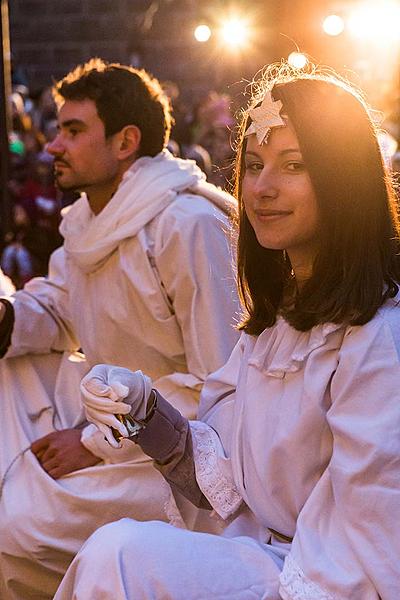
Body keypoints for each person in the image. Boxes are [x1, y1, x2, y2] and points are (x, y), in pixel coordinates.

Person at [55, 62, 400, 600]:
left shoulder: (376, 338)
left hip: (317, 583)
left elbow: (374, 539)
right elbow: (227, 487)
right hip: (260, 555)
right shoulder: (274, 321)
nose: (261, 188)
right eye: (255, 164)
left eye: (295, 165)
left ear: (344, 179)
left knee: (118, 554)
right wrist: (144, 411)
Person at [0, 59, 239, 598]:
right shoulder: (87, 222)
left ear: (126, 140)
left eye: (73, 131)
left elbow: (224, 384)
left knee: (15, 527)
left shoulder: (188, 225)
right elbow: (60, 310)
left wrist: (96, 441)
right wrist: (5, 317)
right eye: (59, 129)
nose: (52, 147)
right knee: (7, 361)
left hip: (182, 450)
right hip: (107, 413)